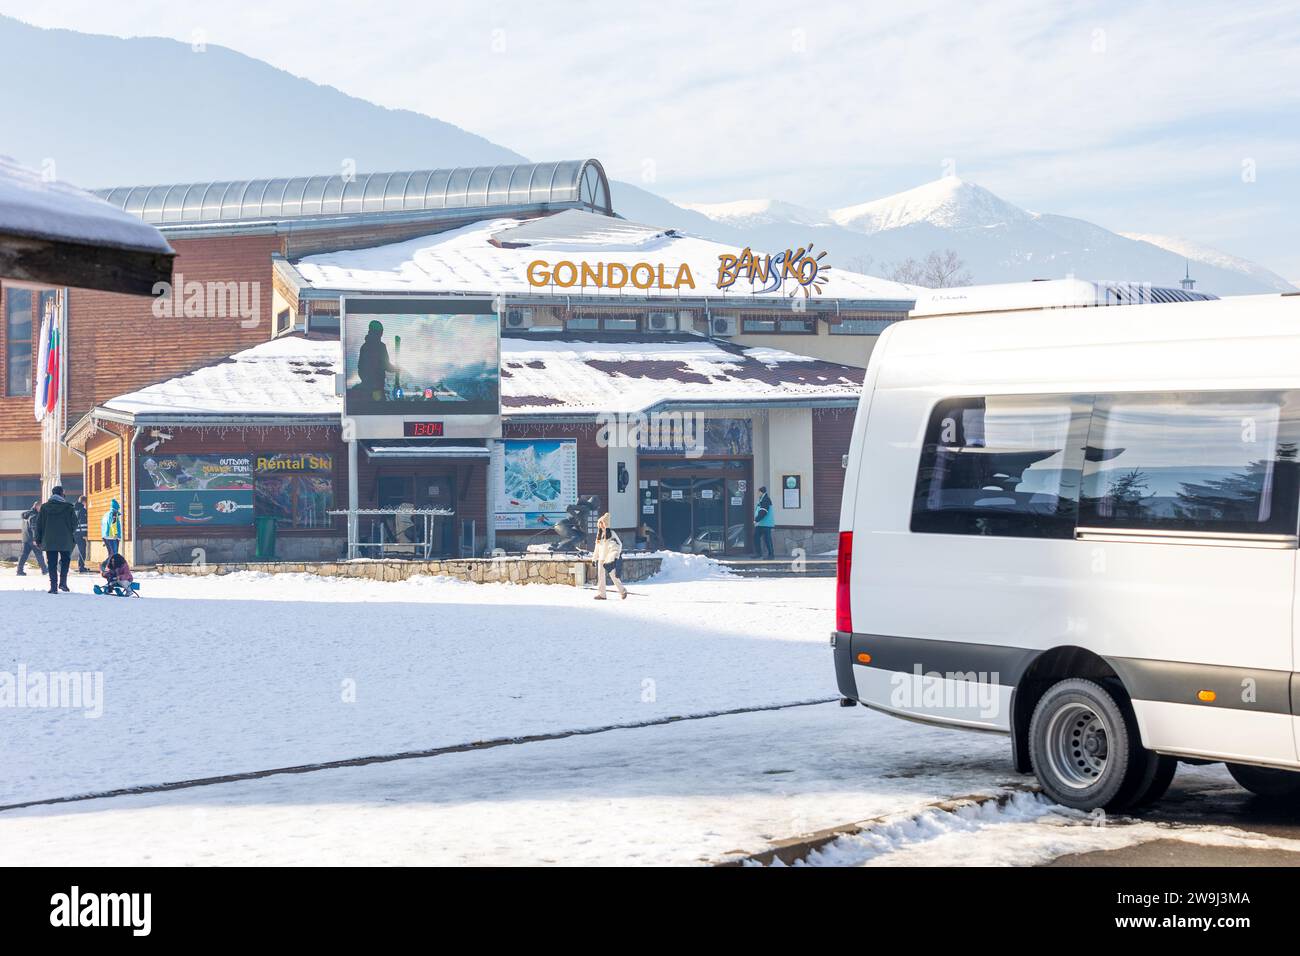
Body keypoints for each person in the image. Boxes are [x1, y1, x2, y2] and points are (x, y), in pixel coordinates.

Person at [36, 485, 77, 594]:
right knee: (65, 561)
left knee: (52, 563)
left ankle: (53, 587)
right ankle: (63, 583)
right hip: (65, 539)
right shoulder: (69, 507)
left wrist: (38, 539)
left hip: (49, 540)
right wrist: (70, 532)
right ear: (62, 494)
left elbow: (39, 525)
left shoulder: (44, 507)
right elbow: (74, 524)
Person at [356, 319, 398, 402]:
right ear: (379, 333)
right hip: (377, 389)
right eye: (381, 332)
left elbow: (360, 367)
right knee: (381, 408)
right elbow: (385, 365)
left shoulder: (364, 347)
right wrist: (396, 369)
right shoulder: (380, 347)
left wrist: (365, 381)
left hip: (366, 388)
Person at [592, 512, 627, 600]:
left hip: (609, 559)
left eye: (602, 523)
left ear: (606, 524)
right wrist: (594, 558)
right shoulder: (599, 535)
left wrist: (615, 555)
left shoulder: (611, 533)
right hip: (601, 559)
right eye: (600, 524)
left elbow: (619, 544)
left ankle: (622, 590)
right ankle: (602, 594)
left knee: (613, 576)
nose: (601, 525)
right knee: (601, 577)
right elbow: (597, 548)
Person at [16, 500, 47, 576]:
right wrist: (35, 539)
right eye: (41, 507)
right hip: (32, 539)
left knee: (23, 555)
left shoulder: (27, 514)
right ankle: (44, 570)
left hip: (25, 538)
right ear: (36, 506)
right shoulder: (34, 516)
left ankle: (19, 571)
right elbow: (34, 528)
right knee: (39, 554)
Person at [753, 485, 775, 559]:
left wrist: (756, 519)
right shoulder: (761, 499)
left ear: (761, 492)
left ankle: (771, 555)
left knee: (767, 539)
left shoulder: (766, 499)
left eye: (758, 492)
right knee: (756, 536)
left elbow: (763, 511)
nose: (757, 493)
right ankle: (758, 553)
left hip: (766, 523)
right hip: (761, 523)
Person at [73, 495, 89, 573]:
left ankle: (61, 564)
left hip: (73, 533)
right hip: (80, 534)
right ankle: (81, 567)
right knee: (82, 550)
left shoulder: (73, 509)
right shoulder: (83, 510)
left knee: (69, 550)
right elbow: (83, 524)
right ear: (84, 502)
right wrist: (84, 534)